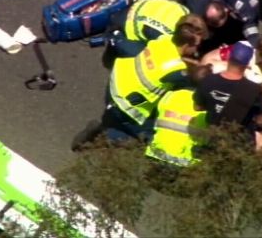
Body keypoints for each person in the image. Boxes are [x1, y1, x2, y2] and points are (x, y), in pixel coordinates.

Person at [72, 15, 208, 150]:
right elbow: (195, 80)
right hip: (127, 105)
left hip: (117, 83)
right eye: (197, 45)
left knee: (117, 122)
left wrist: (194, 63)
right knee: (148, 139)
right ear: (187, 44)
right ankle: (101, 139)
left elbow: (172, 59)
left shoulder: (163, 40)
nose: (197, 50)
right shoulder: (175, 70)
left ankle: (102, 130)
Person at [193, 41, 262, 140]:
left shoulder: (207, 80)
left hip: (213, 136)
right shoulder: (254, 89)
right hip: (241, 141)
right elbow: (261, 121)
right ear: (247, 64)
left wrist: (216, 106)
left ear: (228, 57)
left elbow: (197, 107)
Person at [178, 0, 261, 53]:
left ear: (226, 9)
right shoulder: (195, 11)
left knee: (252, 4)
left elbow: (249, 17)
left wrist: (254, 43)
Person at [107, 0, 191, 57]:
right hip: (122, 27)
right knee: (148, 60)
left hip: (138, 6)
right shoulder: (165, 38)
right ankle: (117, 37)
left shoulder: (185, 12)